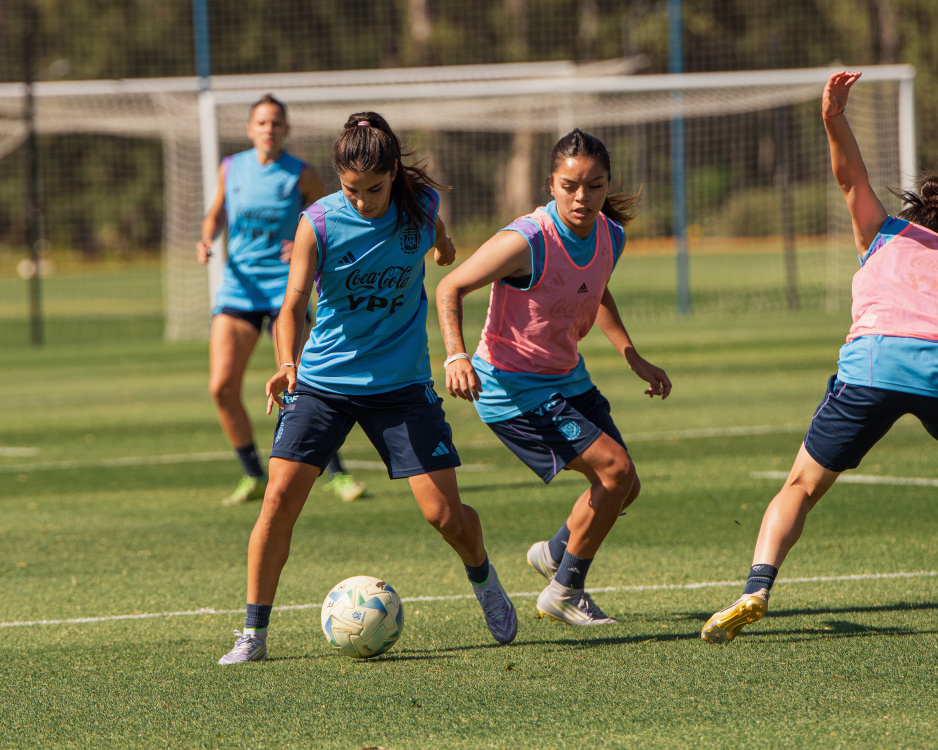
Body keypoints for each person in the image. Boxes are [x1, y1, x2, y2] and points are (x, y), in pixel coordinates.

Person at [218, 111, 517, 665]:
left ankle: (483, 577)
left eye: (374, 189)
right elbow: (291, 306)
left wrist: (444, 248)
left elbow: (437, 234)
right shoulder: (318, 223)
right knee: (277, 501)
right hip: (322, 384)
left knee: (445, 516)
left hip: (401, 386)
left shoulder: (420, 206)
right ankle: (253, 634)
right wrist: (286, 363)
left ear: (393, 174)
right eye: (351, 189)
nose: (362, 201)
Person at [701, 71, 938, 644]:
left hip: (873, 363)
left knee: (801, 486)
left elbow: (849, 176)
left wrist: (833, 117)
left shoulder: (883, 233)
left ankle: (756, 588)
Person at [435, 129, 671, 626]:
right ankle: (565, 590)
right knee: (615, 473)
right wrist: (456, 356)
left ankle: (555, 554)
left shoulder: (610, 235)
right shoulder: (527, 240)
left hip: (566, 377)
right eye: (570, 186)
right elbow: (450, 287)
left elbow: (594, 289)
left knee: (626, 486)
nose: (582, 197)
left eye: (594, 186)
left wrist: (631, 354)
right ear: (551, 184)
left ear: (607, 185)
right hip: (512, 389)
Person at [197, 94, 367, 506]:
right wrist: (206, 238)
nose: (268, 129)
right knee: (221, 388)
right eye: (261, 122)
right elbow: (217, 213)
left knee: (302, 385)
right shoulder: (231, 167)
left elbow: (327, 219)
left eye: (276, 122)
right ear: (249, 129)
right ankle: (252, 473)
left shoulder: (301, 173)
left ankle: (336, 473)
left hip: (286, 289)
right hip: (239, 289)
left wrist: (303, 243)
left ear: (286, 129)